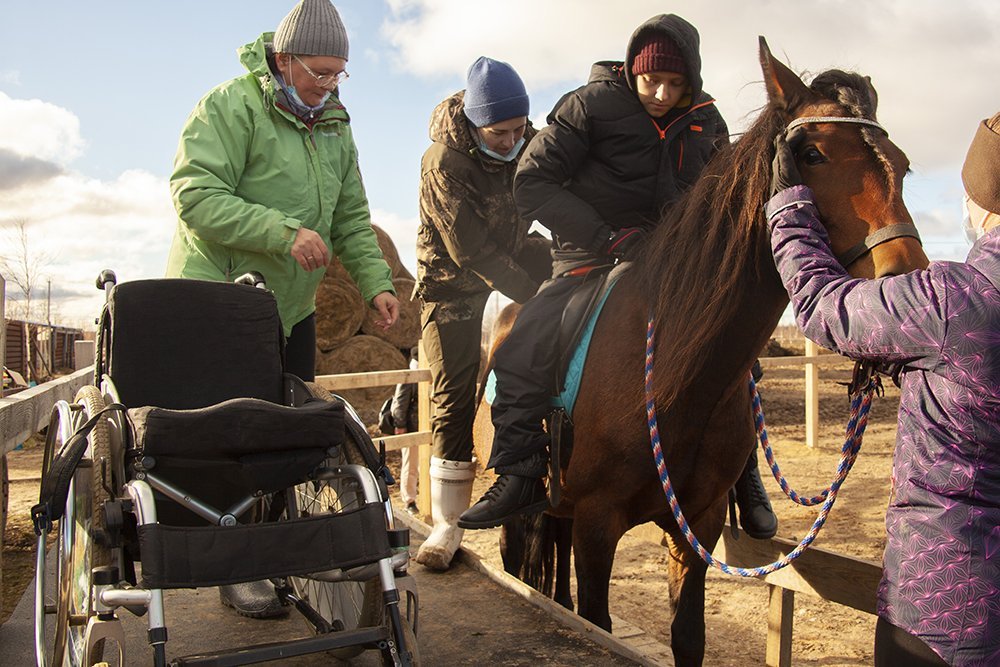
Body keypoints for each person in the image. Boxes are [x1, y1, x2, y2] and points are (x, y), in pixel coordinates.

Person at [460, 15, 778, 539]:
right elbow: (533, 182)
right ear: (632, 69)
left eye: (675, 84)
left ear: (691, 82)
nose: (660, 93)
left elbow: (726, 201)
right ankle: (518, 471)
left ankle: (743, 475)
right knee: (524, 344)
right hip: (590, 258)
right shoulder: (589, 105)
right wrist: (607, 236)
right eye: (651, 80)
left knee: (732, 355)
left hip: (676, 271)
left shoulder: (706, 120)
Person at [167, 0, 399, 618]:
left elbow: (351, 215)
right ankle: (234, 564)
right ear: (283, 58)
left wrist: (376, 281)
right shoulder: (231, 106)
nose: (327, 86)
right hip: (223, 299)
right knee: (230, 434)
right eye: (318, 72)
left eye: (338, 74)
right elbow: (194, 194)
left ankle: (276, 551)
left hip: (291, 311)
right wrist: (283, 231)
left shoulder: (335, 125)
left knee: (284, 433)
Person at [767, 113, 1000, 666]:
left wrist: (789, 212)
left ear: (984, 203)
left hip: (944, 609)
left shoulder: (953, 300)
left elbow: (826, 307)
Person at [413, 56, 552, 570]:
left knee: (579, 281)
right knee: (455, 390)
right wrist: (531, 294)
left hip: (516, 250)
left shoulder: (526, 138)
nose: (511, 139)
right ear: (474, 124)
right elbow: (471, 252)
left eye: (519, 128)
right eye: (500, 132)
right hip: (451, 280)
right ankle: (448, 523)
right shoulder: (442, 163)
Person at [388, 347, 421, 515]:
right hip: (412, 425)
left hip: (426, 424)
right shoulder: (409, 375)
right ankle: (409, 500)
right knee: (411, 464)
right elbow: (400, 403)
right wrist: (400, 424)